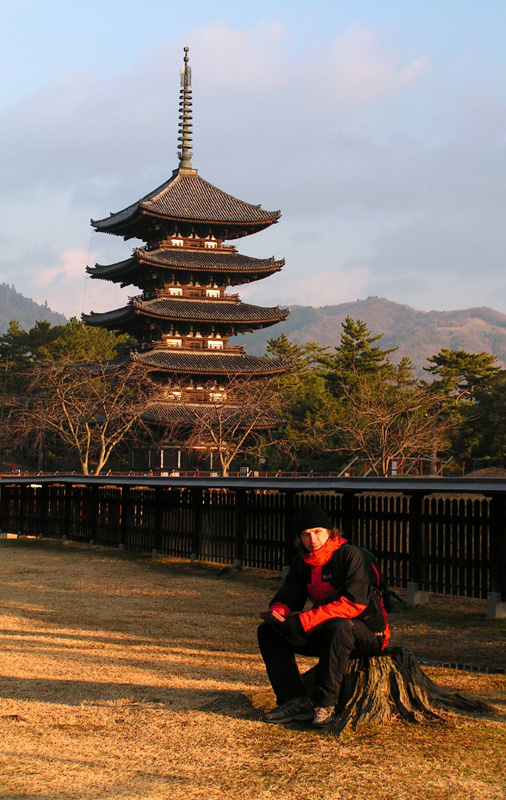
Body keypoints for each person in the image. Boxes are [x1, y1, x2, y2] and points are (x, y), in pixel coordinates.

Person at [257, 501, 390, 727]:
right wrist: (278, 614)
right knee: (268, 632)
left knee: (339, 625)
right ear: (300, 538)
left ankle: (325, 705)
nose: (313, 539)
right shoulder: (303, 563)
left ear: (330, 532)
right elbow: (287, 597)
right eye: (306, 534)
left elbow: (353, 604)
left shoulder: (351, 556)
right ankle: (295, 701)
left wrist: (303, 620)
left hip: (370, 634)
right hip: (327, 631)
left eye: (318, 532)